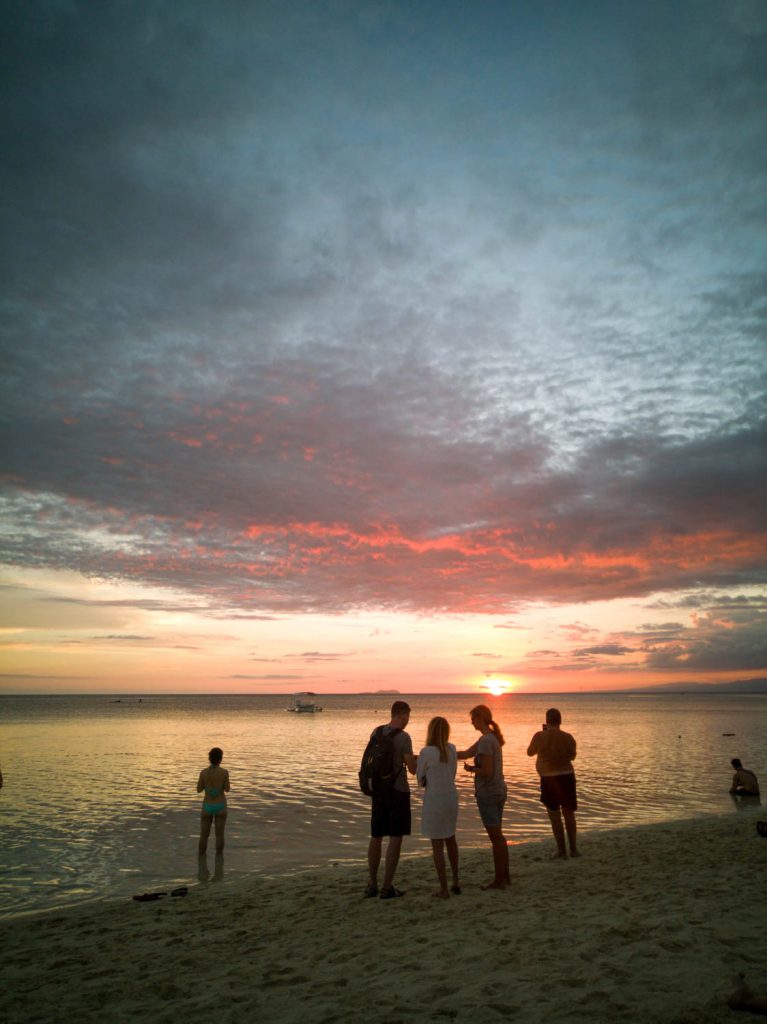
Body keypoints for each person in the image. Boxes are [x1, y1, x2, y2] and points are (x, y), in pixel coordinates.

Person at [365, 700, 417, 900]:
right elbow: (411, 769)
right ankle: (387, 887)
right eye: (407, 717)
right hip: (398, 791)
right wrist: (418, 759)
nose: (407, 721)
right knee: (395, 838)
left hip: (378, 791)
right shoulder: (404, 737)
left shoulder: (376, 732)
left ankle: (372, 884)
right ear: (402, 715)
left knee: (376, 836)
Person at [457, 704, 510, 889]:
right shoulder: (489, 739)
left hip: (489, 793)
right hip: (498, 790)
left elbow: (486, 771)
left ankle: (499, 880)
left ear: (480, 719)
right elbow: (464, 753)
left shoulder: (487, 741)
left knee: (495, 838)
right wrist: (442, 753)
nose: (471, 723)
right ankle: (505, 876)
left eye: (473, 719)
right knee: (499, 836)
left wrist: (471, 769)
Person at [417, 716, 460, 899]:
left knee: (437, 846)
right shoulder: (452, 749)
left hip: (435, 800)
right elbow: (453, 774)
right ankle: (456, 881)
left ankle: (443, 888)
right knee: (451, 839)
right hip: (451, 798)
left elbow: (420, 779)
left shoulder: (426, 752)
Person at [527, 708, 579, 859]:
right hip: (567, 776)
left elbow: (530, 752)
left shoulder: (539, 736)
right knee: (569, 815)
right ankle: (574, 849)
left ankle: (561, 850)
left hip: (549, 779)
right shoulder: (568, 737)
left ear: (547, 721)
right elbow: (572, 756)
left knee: (554, 816)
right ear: (560, 721)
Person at [197, 746, 230, 855]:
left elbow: (198, 789)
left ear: (209, 758)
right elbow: (227, 789)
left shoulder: (203, 772)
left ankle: (201, 861)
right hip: (220, 806)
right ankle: (219, 862)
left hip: (207, 806)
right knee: (219, 836)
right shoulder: (224, 772)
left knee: (204, 836)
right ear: (220, 758)